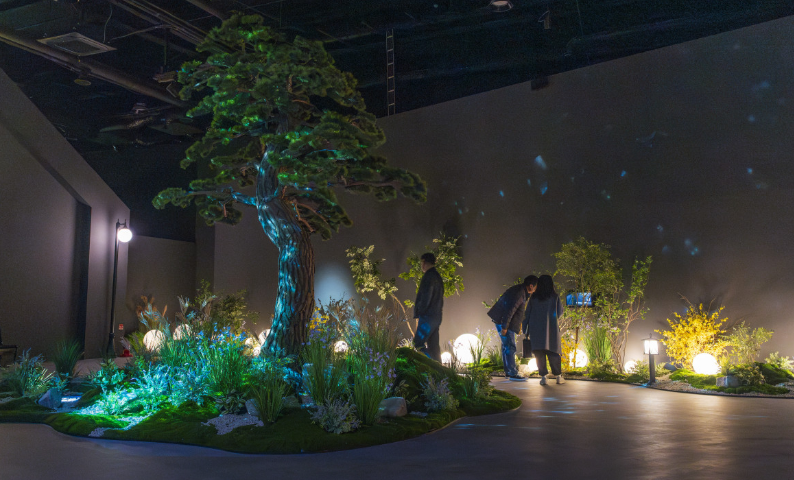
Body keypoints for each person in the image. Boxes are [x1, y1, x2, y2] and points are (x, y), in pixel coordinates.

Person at [487, 276, 538, 381]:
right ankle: (512, 373)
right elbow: (510, 310)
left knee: (506, 347)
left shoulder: (521, 291)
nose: (536, 289)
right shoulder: (520, 293)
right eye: (536, 286)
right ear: (531, 286)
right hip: (504, 322)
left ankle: (509, 372)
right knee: (510, 347)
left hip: (503, 321)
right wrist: (505, 327)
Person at [523, 274, 565, 385]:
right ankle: (558, 377)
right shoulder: (555, 297)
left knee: (539, 353)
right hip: (551, 329)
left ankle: (543, 377)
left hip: (535, 330)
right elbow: (560, 312)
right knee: (553, 352)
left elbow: (527, 314)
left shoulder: (533, 298)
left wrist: (524, 329)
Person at [412, 252, 444, 361]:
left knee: (418, 343)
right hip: (436, 316)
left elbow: (426, 296)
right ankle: (439, 369)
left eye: (422, 262)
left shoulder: (428, 277)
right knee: (434, 347)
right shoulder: (438, 277)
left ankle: (429, 364)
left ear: (425, 262)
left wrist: (420, 311)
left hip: (427, 316)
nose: (421, 265)